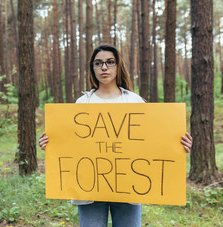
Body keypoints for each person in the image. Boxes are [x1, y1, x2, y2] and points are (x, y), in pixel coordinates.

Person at [39, 44, 192, 227]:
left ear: (118, 66)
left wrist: (178, 145)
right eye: (98, 63)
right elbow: (70, 143)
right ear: (92, 68)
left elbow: (151, 143)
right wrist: (51, 143)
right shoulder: (82, 103)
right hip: (89, 190)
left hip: (129, 188)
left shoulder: (135, 102)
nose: (104, 67)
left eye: (110, 62)